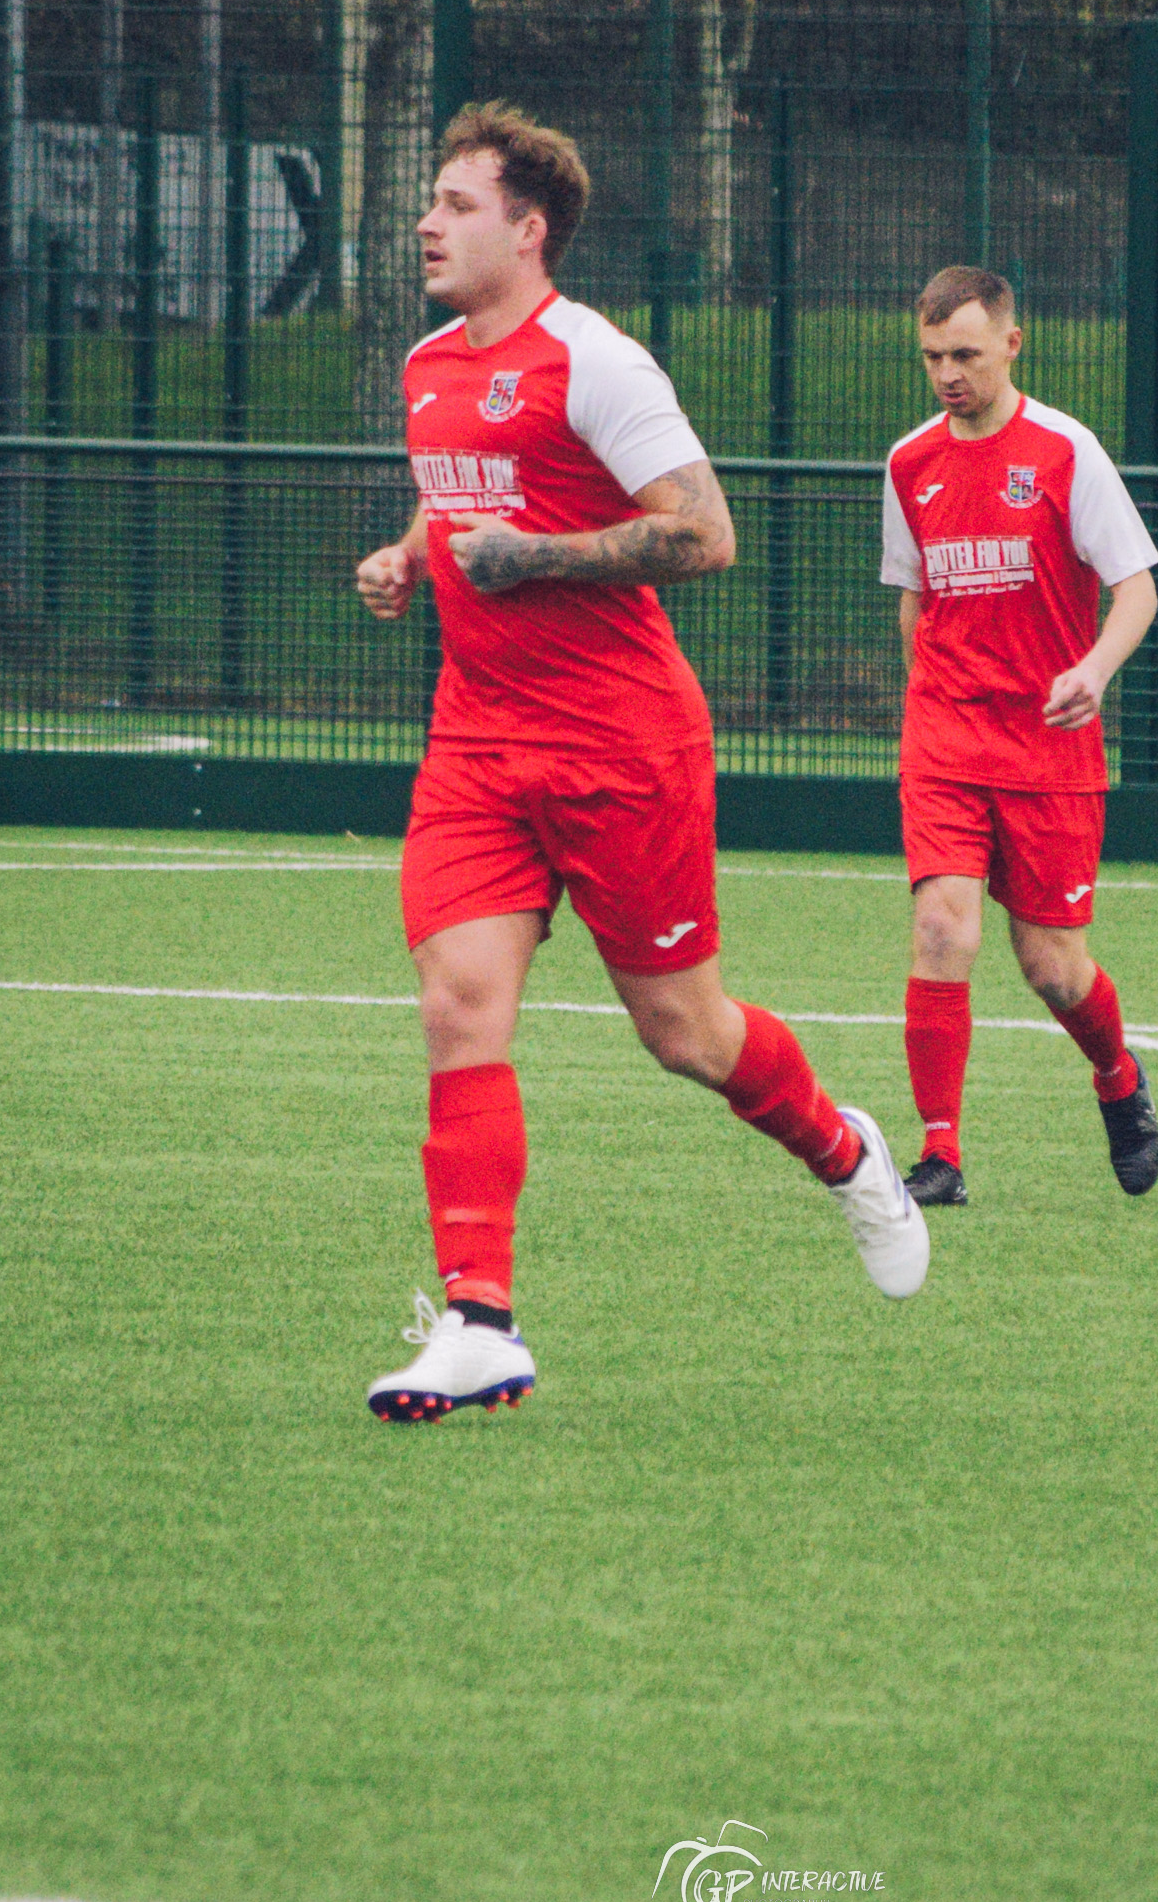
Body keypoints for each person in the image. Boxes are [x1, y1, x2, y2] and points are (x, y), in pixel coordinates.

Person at [354, 103, 927, 1420]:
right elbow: (459, 486)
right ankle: (478, 1320)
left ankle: (843, 1151)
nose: (427, 224)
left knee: (685, 1034)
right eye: (430, 203)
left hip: (622, 745)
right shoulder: (429, 365)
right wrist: (411, 554)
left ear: (526, 229)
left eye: (454, 204)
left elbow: (705, 534)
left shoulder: (598, 363)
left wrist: (535, 559)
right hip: (477, 744)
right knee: (457, 1004)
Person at [880, 265, 1158, 1210]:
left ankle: (1116, 1077)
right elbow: (915, 601)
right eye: (931, 357)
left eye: (964, 354)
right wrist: (930, 701)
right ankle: (940, 1155)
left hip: (1047, 745)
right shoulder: (908, 462)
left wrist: (1093, 670)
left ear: (1011, 343)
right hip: (946, 736)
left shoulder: (1064, 451)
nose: (947, 374)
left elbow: (1136, 590)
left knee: (1052, 969)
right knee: (940, 927)